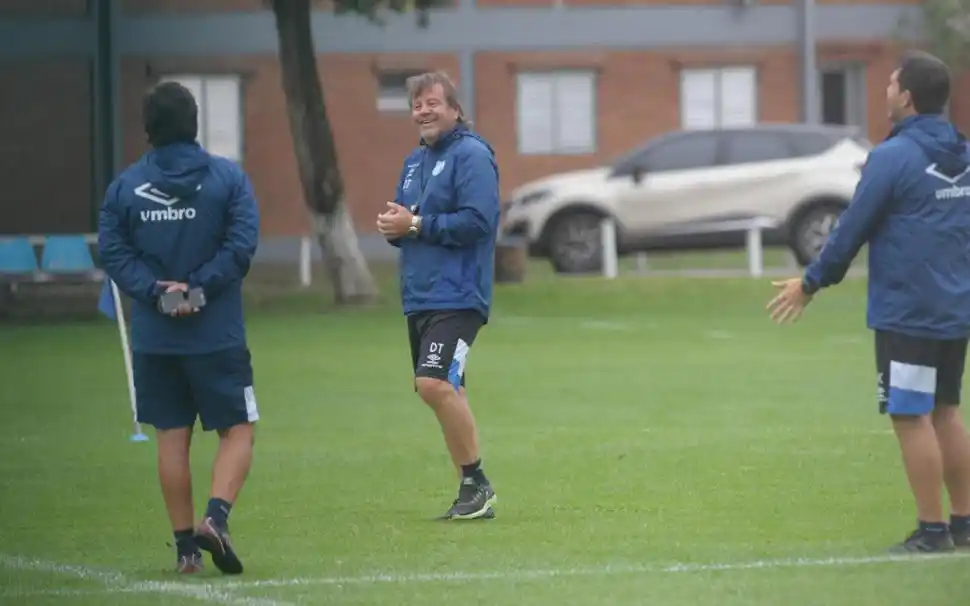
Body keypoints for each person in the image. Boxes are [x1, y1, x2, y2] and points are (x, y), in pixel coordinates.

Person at [767, 50, 970, 554]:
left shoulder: (893, 157)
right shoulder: (964, 153)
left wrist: (810, 283)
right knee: (945, 410)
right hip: (954, 307)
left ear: (907, 96)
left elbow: (851, 228)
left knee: (910, 413)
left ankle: (932, 532)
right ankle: (965, 524)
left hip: (909, 311)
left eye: (891, 84)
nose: (885, 92)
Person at [97, 81, 260, 573]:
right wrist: (199, 291)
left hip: (155, 337)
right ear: (195, 123)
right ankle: (216, 517)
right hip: (216, 336)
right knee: (238, 430)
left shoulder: (124, 187)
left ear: (148, 128)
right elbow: (241, 244)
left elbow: (113, 251)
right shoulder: (227, 178)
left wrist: (157, 293)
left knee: (171, 438)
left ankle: (187, 551)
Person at [376, 71, 501, 520]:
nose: (423, 111)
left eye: (432, 102)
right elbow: (410, 222)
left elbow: (477, 222)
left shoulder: (472, 155)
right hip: (420, 295)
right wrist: (397, 226)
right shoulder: (414, 162)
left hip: (459, 295)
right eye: (416, 105)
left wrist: (414, 225)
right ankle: (471, 493)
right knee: (447, 390)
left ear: (454, 109)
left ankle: (478, 483)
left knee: (434, 383)